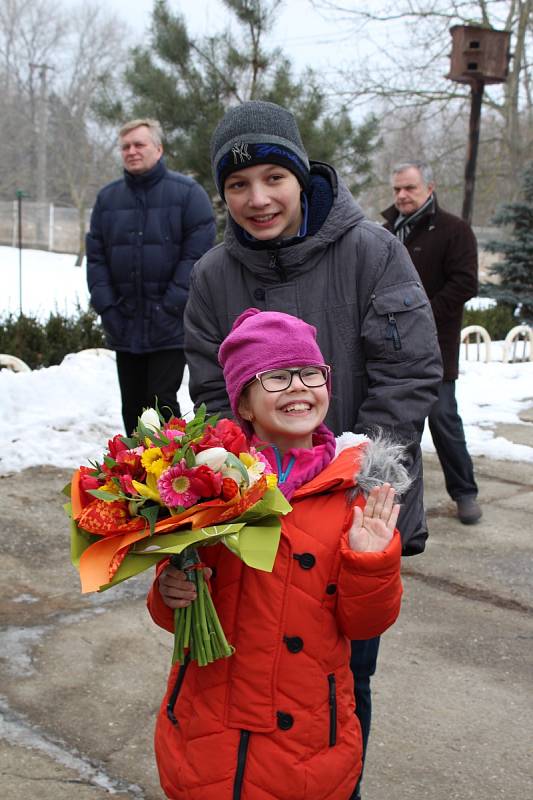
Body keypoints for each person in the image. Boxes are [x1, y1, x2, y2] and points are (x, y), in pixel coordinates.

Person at [184, 100, 443, 798]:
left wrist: (357, 479)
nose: (257, 198)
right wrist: (235, 486)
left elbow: (409, 372)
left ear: (302, 177)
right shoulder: (212, 275)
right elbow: (211, 396)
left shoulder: (371, 252)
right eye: (237, 185)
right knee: (238, 685)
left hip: (345, 524)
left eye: (273, 177)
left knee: (338, 688)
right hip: (255, 529)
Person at [148, 308, 406, 800]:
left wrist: (372, 562)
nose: (298, 387)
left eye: (311, 373)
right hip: (208, 731)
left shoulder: (356, 491)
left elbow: (365, 624)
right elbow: (173, 608)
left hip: (305, 742)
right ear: (242, 403)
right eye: (276, 377)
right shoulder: (207, 483)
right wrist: (168, 590)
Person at [86, 118, 215, 435]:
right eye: (125, 147)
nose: (131, 151)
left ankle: (171, 473)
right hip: (124, 322)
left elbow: (195, 256)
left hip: (169, 323)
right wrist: (108, 308)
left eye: (139, 144)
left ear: (158, 148)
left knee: (162, 402)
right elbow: (97, 255)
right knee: (131, 404)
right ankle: (133, 475)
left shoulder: (188, 195)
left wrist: (171, 304)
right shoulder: (108, 199)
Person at [382, 161, 482, 524]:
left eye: (409, 188)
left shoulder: (454, 230)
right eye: (397, 189)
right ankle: (391, 500)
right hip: (389, 349)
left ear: (430, 187)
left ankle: (465, 492)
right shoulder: (388, 230)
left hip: (435, 346)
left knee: (443, 419)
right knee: (395, 426)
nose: (402, 196)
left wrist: (419, 315)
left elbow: (465, 283)